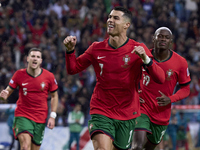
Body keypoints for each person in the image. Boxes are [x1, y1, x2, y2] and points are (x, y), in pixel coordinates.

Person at [63, 6, 165, 150]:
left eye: (115, 18)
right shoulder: (96, 48)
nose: (110, 20)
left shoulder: (138, 48)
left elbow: (160, 78)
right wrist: (70, 51)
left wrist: (146, 60)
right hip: (101, 109)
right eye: (109, 17)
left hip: (127, 113)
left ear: (126, 25)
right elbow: (73, 69)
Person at [131, 27, 191, 150]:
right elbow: (129, 79)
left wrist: (171, 99)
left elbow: (186, 89)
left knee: (150, 147)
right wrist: (135, 94)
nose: (163, 39)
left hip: (162, 113)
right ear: (154, 39)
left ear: (171, 41)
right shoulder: (143, 56)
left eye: (166, 37)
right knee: (137, 146)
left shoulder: (180, 62)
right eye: (160, 36)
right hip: (142, 108)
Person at [0, 48, 58, 150]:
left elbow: (54, 96)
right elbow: (8, 90)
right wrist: (5, 94)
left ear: (41, 61)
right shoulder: (19, 74)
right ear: (27, 59)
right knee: (25, 146)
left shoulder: (49, 76)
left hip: (40, 118)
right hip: (23, 115)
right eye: (33, 56)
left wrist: (52, 116)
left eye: (38, 57)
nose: (35, 59)